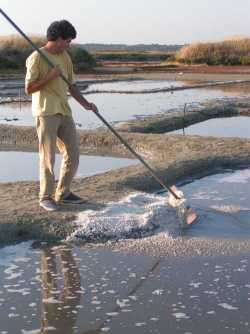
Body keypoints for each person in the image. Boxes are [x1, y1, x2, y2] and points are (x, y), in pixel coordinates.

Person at [25, 20, 98, 212]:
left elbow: (71, 85)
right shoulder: (36, 57)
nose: (69, 44)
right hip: (46, 112)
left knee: (73, 153)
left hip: (64, 111)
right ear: (57, 39)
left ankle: (63, 193)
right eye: (67, 40)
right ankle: (45, 196)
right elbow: (29, 89)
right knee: (48, 157)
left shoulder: (65, 56)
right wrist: (50, 76)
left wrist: (86, 104)